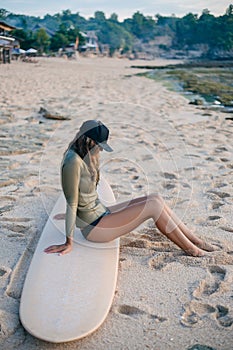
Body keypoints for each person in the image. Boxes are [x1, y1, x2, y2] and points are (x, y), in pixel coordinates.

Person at [44, 120, 216, 256]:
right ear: (89, 141)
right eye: (99, 146)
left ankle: (196, 241)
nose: (100, 151)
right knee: (153, 207)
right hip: (94, 229)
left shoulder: (84, 154)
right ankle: (192, 250)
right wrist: (68, 242)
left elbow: (83, 195)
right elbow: (71, 201)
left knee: (156, 198)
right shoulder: (73, 162)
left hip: (102, 213)